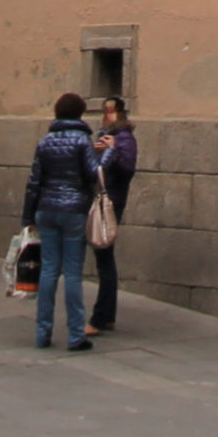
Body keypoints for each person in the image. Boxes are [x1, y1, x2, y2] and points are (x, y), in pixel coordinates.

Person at [22, 91, 100, 351]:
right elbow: (92, 173)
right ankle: (76, 334)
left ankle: (42, 332)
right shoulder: (82, 140)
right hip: (74, 210)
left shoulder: (45, 141)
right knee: (73, 273)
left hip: (46, 209)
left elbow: (34, 181)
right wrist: (107, 156)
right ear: (80, 113)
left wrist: (27, 216)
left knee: (48, 270)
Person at [89, 97, 138, 334]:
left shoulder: (125, 138)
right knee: (103, 258)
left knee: (104, 256)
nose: (107, 115)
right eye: (105, 110)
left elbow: (127, 169)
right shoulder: (103, 133)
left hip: (110, 202)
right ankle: (106, 315)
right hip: (100, 199)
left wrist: (113, 150)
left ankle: (101, 316)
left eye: (111, 111)